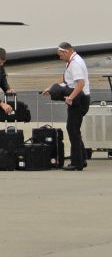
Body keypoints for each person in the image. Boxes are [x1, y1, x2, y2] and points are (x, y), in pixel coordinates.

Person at [42, 42, 90, 171]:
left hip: (79, 99)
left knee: (72, 130)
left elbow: (80, 83)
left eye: (60, 55)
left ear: (66, 51)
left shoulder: (75, 64)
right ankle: (82, 159)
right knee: (74, 129)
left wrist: (71, 97)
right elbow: (65, 80)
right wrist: (51, 88)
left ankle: (77, 163)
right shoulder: (72, 61)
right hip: (79, 98)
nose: (59, 57)